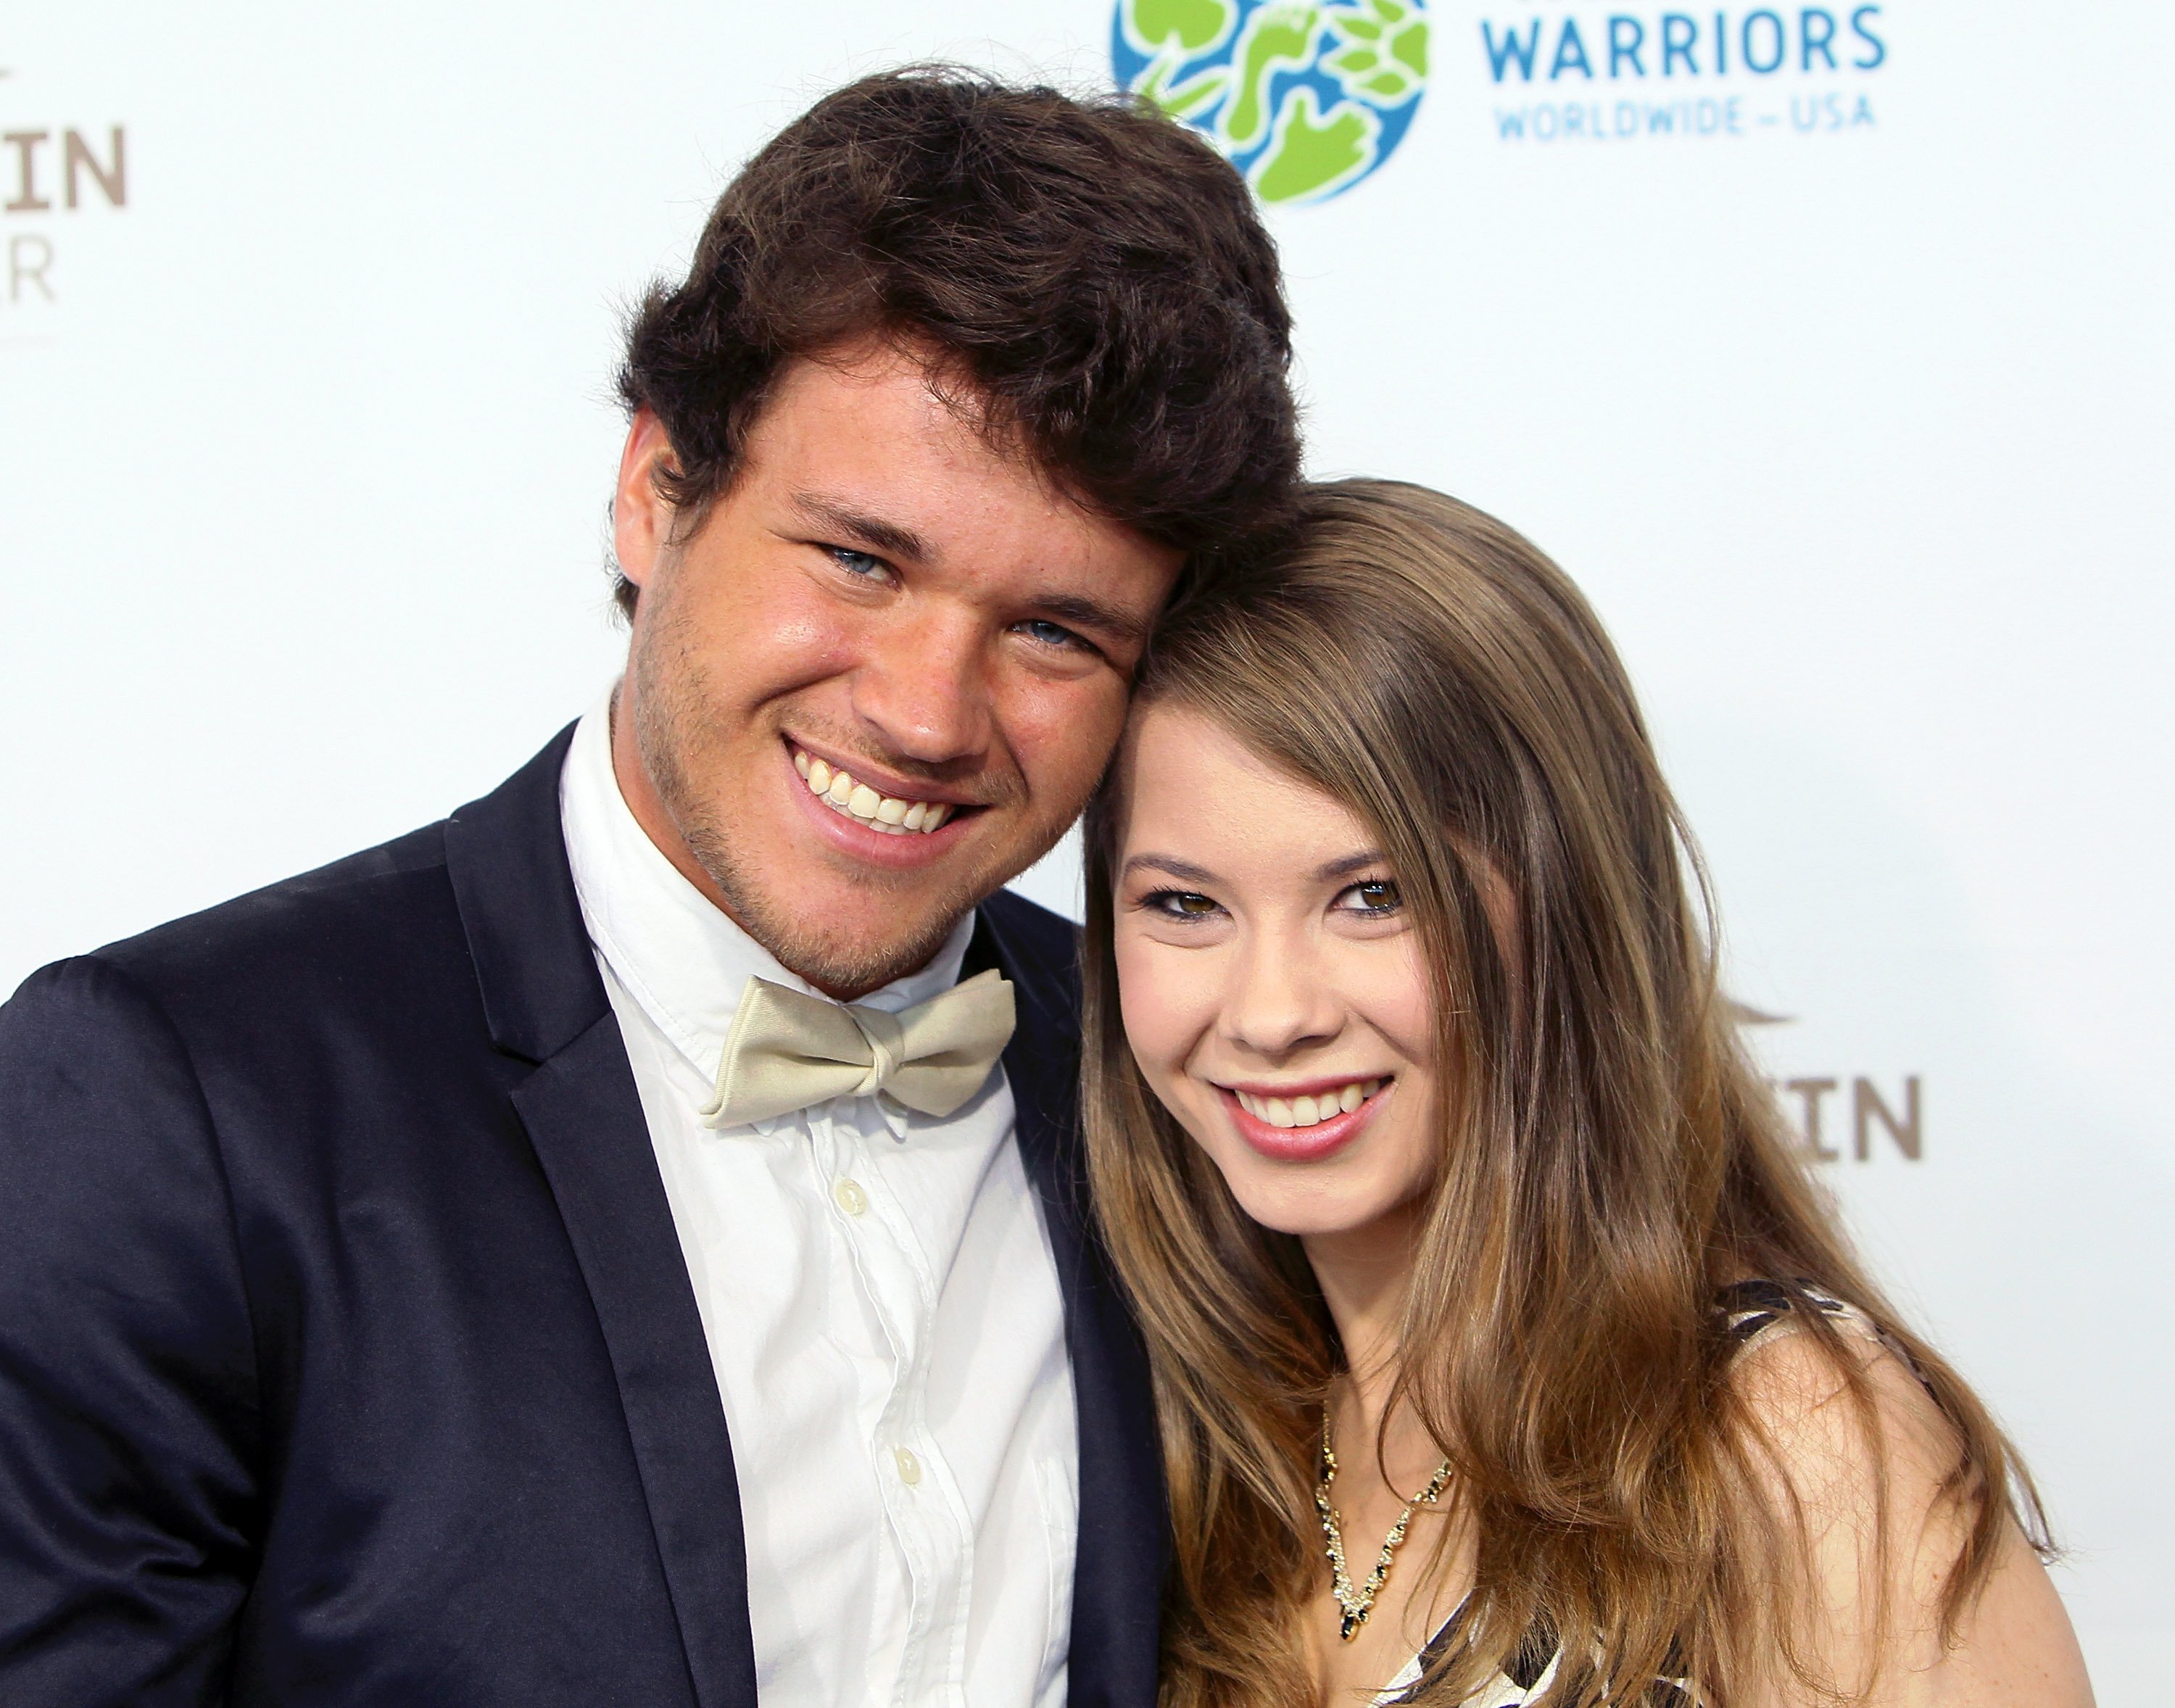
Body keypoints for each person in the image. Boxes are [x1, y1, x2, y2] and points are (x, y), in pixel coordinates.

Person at [0, 70, 1301, 1708]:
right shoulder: (177, 1098)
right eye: (861, 558)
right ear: (654, 488)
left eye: (1054, 628)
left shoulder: (1182, 1069)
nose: (924, 712)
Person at [1080, 481, 2095, 1707]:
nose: (1271, 1011)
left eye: (1375, 895)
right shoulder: (1183, 1450)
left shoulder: (1783, 1438)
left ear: (1561, 911)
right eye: (1184, 905)